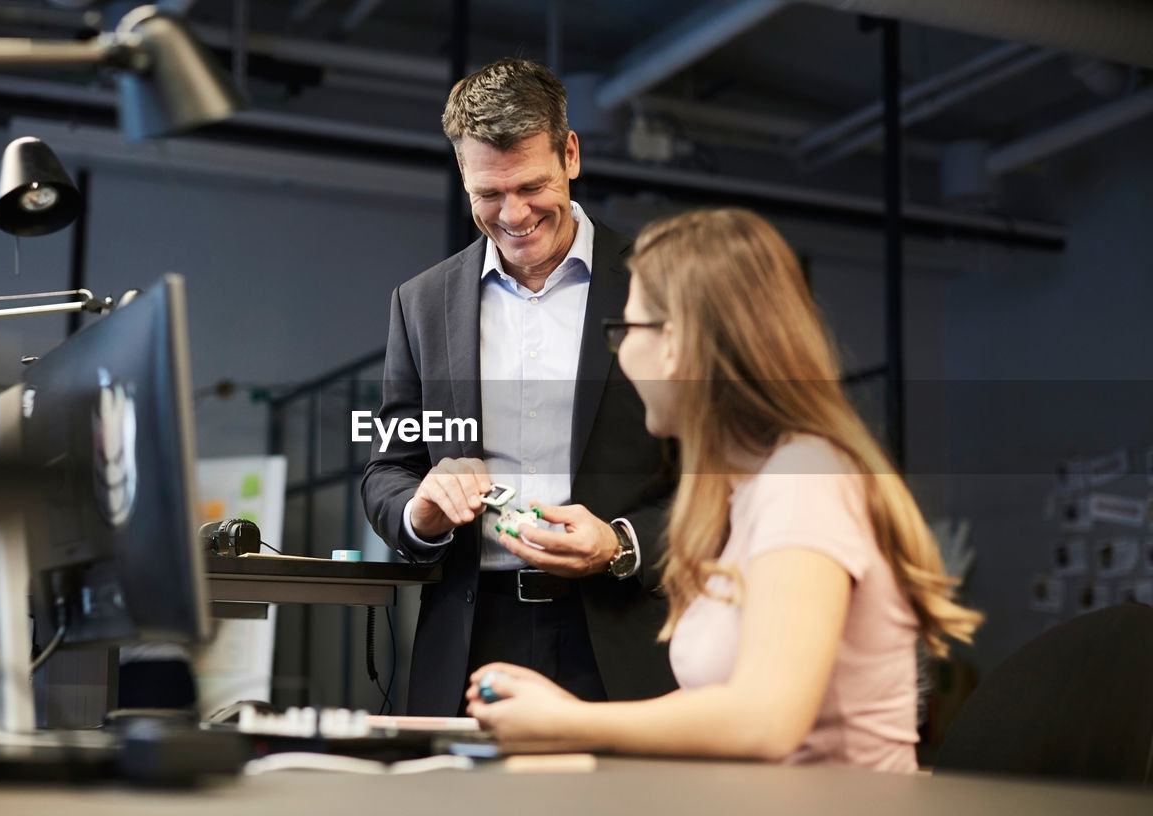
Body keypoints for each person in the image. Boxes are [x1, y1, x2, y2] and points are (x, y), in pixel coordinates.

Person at [466, 208, 983, 772]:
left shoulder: (803, 480)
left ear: (675, 344)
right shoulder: (742, 491)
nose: (622, 354)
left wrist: (569, 724)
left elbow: (765, 721)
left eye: (626, 331)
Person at [361, 59, 679, 717]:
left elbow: (715, 478)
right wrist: (420, 510)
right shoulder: (421, 303)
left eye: (532, 185)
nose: (513, 214)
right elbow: (389, 468)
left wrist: (621, 542)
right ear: (462, 177)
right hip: (472, 636)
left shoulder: (663, 282)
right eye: (488, 193)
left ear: (570, 153)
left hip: (625, 633)